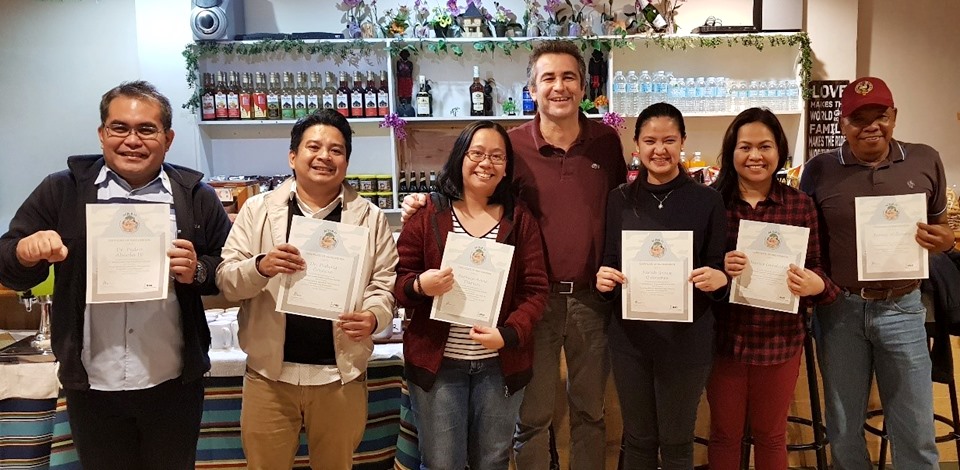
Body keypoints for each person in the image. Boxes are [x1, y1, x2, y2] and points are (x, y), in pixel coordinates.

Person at [402, 40, 626, 470]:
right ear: (532, 87)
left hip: (591, 301)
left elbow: (619, 209)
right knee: (532, 417)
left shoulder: (606, 143)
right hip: (530, 303)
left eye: (568, 77)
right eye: (548, 78)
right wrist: (422, 204)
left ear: (584, 86)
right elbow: (476, 197)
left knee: (591, 412)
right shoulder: (512, 146)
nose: (558, 87)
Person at [0, 80, 232, 469]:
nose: (132, 140)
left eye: (146, 129)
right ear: (102, 133)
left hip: (172, 382)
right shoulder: (63, 190)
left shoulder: (194, 196)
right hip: (93, 384)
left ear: (168, 138)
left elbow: (227, 268)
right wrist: (25, 252)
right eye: (119, 128)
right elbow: (8, 260)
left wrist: (200, 269)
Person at [215, 109, 398, 470]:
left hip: (339, 377)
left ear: (346, 160)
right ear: (292, 156)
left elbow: (383, 285)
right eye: (314, 146)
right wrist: (260, 266)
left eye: (336, 150)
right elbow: (226, 280)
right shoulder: (257, 210)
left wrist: (373, 317)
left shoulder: (369, 217)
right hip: (270, 377)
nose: (324, 157)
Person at [800, 77, 956, 469]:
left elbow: (940, 228)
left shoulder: (925, 159)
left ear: (894, 117)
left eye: (880, 116)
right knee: (844, 430)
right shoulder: (819, 170)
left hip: (903, 308)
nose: (871, 126)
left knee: (916, 432)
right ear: (841, 123)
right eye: (858, 118)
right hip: (839, 313)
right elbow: (808, 244)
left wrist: (945, 241)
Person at [395, 120, 549, 470]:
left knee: (492, 461)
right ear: (460, 158)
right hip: (440, 365)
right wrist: (421, 285)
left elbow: (536, 290)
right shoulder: (428, 213)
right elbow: (399, 280)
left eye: (497, 155)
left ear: (507, 167)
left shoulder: (519, 219)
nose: (486, 162)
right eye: (476, 153)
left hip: (498, 365)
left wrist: (508, 334)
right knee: (441, 463)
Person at [595, 102, 728, 469]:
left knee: (676, 442)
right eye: (650, 140)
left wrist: (719, 279)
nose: (660, 149)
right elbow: (610, 258)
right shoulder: (619, 199)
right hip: (630, 339)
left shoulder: (707, 200)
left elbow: (718, 268)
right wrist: (605, 277)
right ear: (636, 145)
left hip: (688, 338)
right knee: (637, 440)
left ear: (683, 142)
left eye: (669, 139)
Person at [706, 107, 840, 469]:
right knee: (724, 435)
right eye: (744, 146)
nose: (754, 156)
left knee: (771, 435)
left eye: (764, 146)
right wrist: (720, 268)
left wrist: (815, 284)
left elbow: (823, 276)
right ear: (730, 152)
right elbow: (696, 272)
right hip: (723, 340)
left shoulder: (800, 205)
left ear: (779, 151)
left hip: (780, 341)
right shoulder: (711, 203)